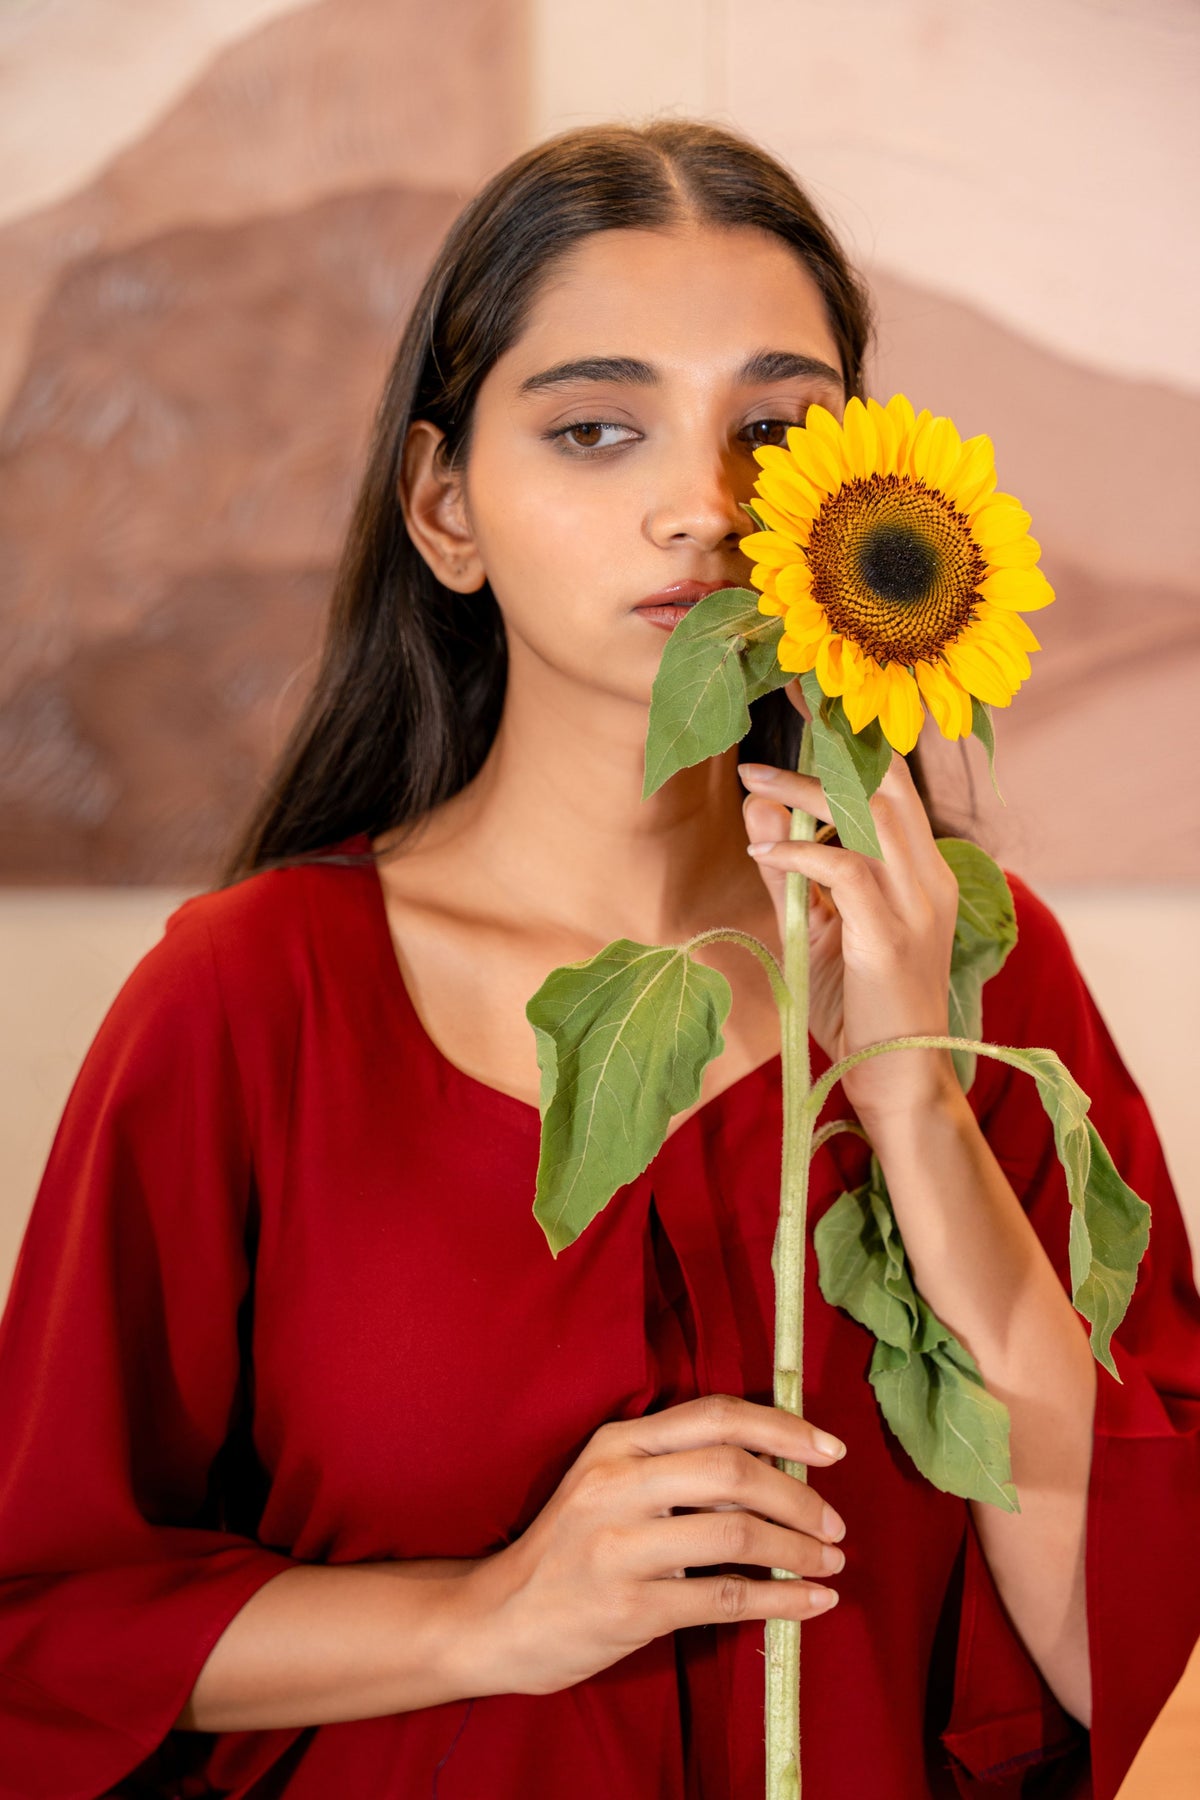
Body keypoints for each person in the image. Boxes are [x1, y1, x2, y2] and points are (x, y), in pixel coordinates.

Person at [0, 119, 1196, 1800]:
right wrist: (485, 1620)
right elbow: (39, 1626)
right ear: (445, 507)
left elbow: (1136, 1661)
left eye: (777, 432)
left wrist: (915, 1099)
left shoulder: (991, 975)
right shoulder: (250, 997)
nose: (703, 509)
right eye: (594, 430)